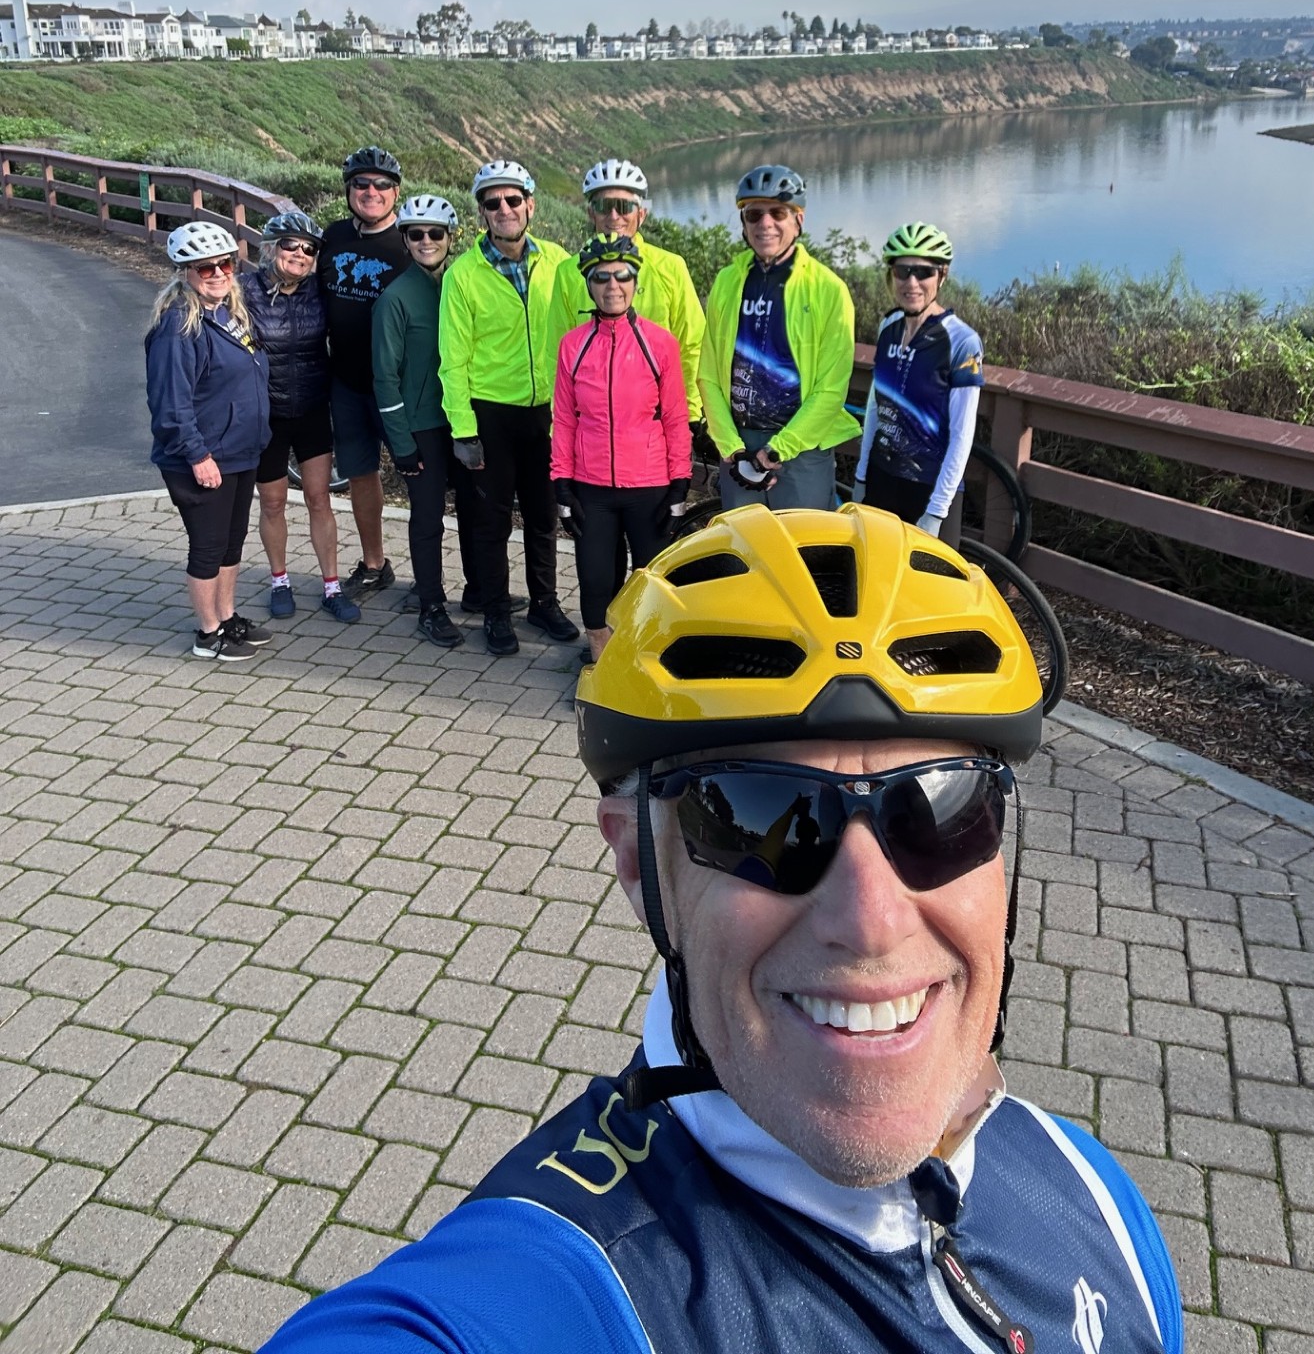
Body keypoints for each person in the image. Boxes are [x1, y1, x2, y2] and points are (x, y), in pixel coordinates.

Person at [260, 505, 1182, 1353]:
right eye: (763, 818)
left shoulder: (1096, 1198)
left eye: (942, 810)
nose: (871, 921)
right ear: (637, 863)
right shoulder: (564, 1290)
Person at [438, 160, 579, 657]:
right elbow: (452, 360)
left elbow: (582, 329)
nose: (504, 209)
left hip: (548, 412)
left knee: (543, 515)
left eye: (513, 199)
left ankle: (544, 602)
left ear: (530, 205)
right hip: (490, 413)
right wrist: (464, 430)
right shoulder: (463, 275)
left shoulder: (559, 261)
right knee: (490, 519)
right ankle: (496, 610)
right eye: (493, 202)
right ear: (482, 212)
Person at [551, 235, 692, 662]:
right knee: (596, 582)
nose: (613, 285)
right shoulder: (573, 345)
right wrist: (561, 483)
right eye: (601, 277)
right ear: (589, 285)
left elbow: (675, 417)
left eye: (623, 275)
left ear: (635, 282)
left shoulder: (660, 343)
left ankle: (644, 663)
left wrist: (680, 484)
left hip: (649, 486)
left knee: (650, 584)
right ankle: (603, 664)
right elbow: (565, 418)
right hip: (591, 487)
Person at [698, 161, 860, 513]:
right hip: (739, 446)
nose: (766, 223)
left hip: (802, 450)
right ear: (744, 223)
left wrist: (777, 450)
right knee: (745, 544)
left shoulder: (828, 289)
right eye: (754, 214)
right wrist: (731, 447)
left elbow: (831, 389)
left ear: (798, 220)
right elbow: (708, 374)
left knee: (806, 545)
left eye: (778, 213)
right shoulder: (727, 282)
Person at [145, 222, 272, 662]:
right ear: (185, 273)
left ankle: (227, 615)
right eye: (206, 268)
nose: (218, 273)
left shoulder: (228, 314)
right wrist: (197, 455)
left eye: (225, 264)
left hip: (239, 450)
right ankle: (207, 633)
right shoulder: (178, 327)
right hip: (202, 457)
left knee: (231, 544)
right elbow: (170, 406)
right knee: (207, 547)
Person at [241, 210, 360, 625]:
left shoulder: (319, 291)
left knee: (319, 498)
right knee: (273, 502)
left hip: (311, 407)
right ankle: (279, 582)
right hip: (267, 413)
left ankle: (332, 587)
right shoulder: (244, 291)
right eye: (290, 244)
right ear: (271, 248)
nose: (300, 253)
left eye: (309, 248)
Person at [373, 193, 480, 650]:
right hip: (422, 426)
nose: (426, 241)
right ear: (405, 240)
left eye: (435, 233)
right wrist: (401, 444)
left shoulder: (460, 284)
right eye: (415, 234)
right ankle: (431, 604)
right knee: (428, 517)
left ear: (450, 237)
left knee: (474, 510)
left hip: (463, 419)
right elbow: (384, 377)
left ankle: (478, 590)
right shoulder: (395, 299)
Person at [854, 223, 984, 547]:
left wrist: (937, 511)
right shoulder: (888, 326)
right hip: (881, 478)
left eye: (923, 272)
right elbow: (875, 406)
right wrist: (861, 475)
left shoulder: (963, 341)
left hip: (930, 488)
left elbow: (962, 435)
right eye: (902, 271)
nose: (911, 283)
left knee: (931, 581)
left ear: (942, 275)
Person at [545, 159, 705, 420]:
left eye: (624, 206)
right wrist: (562, 423)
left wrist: (690, 414)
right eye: (603, 206)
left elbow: (692, 347)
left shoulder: (670, 267)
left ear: (641, 213)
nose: (614, 216)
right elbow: (556, 355)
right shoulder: (568, 272)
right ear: (591, 213)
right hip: (593, 421)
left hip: (656, 417)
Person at [318, 146, 410, 600]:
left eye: (381, 185)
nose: (371, 192)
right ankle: (375, 564)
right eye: (361, 183)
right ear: (348, 190)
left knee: (421, 479)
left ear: (396, 192)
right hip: (347, 383)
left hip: (399, 387)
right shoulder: (333, 237)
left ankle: (431, 576)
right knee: (360, 474)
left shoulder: (410, 242)